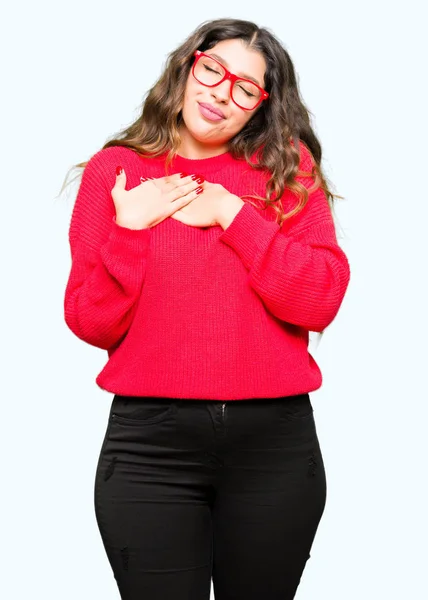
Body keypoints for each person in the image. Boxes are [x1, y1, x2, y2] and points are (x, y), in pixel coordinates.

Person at [62, 17, 350, 600]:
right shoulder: (117, 173)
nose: (221, 92)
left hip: (274, 447)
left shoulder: (285, 170)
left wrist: (233, 215)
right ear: (189, 65)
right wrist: (130, 229)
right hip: (150, 448)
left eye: (246, 88)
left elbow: (321, 298)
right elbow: (91, 321)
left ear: (260, 107)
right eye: (213, 69)